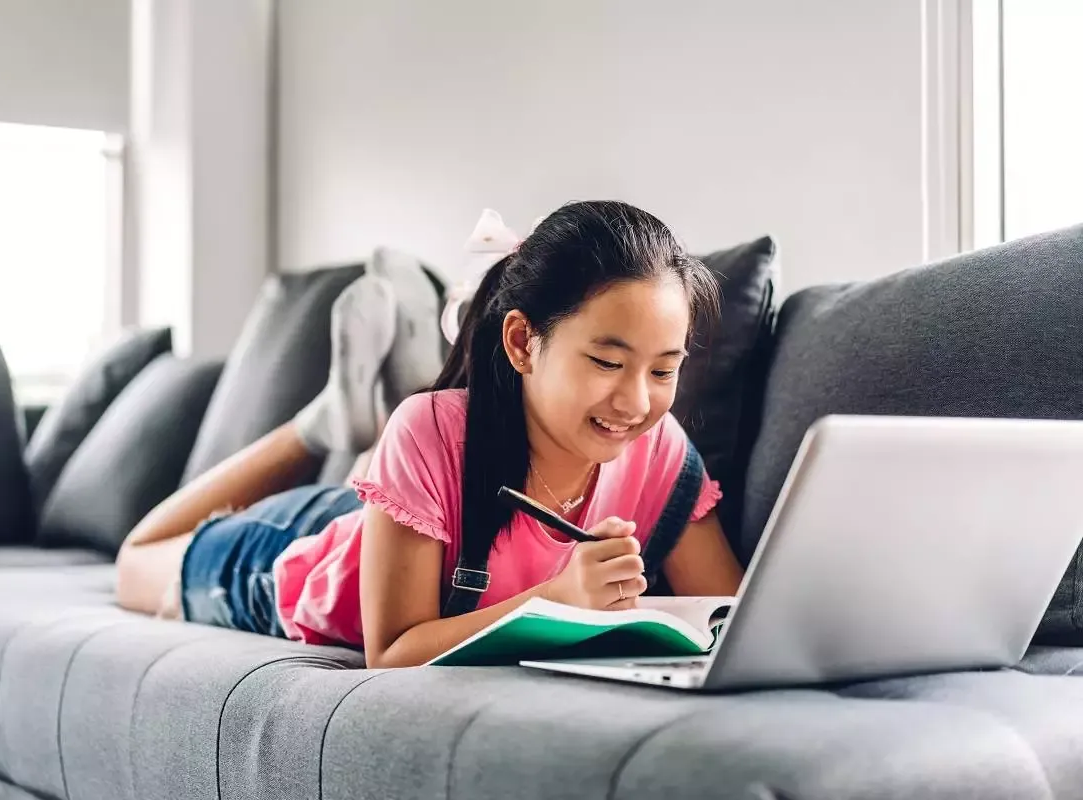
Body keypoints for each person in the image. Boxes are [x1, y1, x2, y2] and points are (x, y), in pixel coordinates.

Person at [115, 201, 745, 669]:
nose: (637, 401)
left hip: (407, 512)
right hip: (305, 555)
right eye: (608, 363)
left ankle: (356, 432)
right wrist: (555, 599)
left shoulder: (659, 451)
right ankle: (324, 422)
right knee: (137, 561)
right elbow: (390, 651)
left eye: (664, 370)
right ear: (524, 342)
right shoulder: (430, 430)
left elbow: (730, 618)